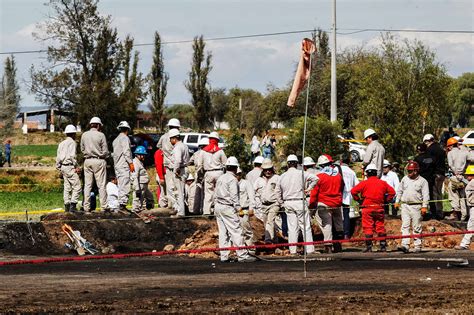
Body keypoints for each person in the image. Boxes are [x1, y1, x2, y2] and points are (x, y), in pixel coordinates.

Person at [214, 156, 256, 263]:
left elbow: (215, 194)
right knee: (236, 231)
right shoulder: (232, 180)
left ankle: (224, 256)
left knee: (223, 233)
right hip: (228, 207)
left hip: (218, 207)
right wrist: (239, 209)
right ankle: (242, 255)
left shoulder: (221, 178)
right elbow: (234, 198)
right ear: (236, 168)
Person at [276, 154, 317, 255]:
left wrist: (282, 203)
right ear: (297, 163)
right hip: (299, 201)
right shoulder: (302, 173)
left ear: (288, 164)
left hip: (288, 202)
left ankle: (293, 250)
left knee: (292, 228)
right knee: (305, 226)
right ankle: (310, 249)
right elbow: (316, 179)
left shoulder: (282, 176)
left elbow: (277, 192)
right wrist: (308, 189)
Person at [351, 164, 396, 252]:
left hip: (367, 208)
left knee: (368, 227)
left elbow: (353, 191)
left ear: (367, 173)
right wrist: (387, 200)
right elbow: (392, 192)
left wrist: (359, 200)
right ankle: (383, 246)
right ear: (376, 173)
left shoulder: (364, 183)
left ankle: (369, 247)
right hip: (379, 208)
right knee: (380, 226)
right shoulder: (383, 183)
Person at [309, 155, 344, 253]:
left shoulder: (319, 177)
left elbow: (314, 194)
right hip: (337, 203)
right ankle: (338, 244)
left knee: (326, 225)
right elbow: (342, 188)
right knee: (338, 224)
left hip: (323, 204)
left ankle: (328, 246)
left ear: (321, 166)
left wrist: (311, 206)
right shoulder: (338, 176)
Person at [394, 161, 430, 253]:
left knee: (416, 226)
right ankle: (405, 245)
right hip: (405, 205)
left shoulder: (423, 181)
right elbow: (399, 191)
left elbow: (426, 195)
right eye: (408, 171)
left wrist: (424, 206)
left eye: (410, 171)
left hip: (416, 206)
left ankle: (417, 245)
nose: (409, 173)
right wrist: (397, 201)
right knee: (405, 226)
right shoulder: (404, 179)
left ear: (416, 171)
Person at [80, 117, 109, 212]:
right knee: (101, 184)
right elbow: (105, 151)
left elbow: (82, 149)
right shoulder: (101, 135)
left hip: (87, 160)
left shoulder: (84, 135)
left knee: (87, 185)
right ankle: (104, 206)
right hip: (99, 160)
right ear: (98, 125)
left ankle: (86, 206)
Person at [197, 132, 227, 216]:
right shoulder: (220, 151)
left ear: (209, 139)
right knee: (218, 193)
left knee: (208, 193)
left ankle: (207, 212)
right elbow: (225, 164)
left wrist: (200, 176)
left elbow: (199, 165)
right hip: (219, 173)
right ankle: (217, 211)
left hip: (208, 173)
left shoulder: (203, 151)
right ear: (217, 140)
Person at [254, 159, 282, 244]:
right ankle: (275, 241)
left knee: (270, 221)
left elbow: (281, 190)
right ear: (263, 170)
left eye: (269, 169)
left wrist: (280, 202)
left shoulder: (277, 178)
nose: (268, 171)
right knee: (267, 223)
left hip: (274, 204)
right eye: (266, 170)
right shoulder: (259, 180)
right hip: (263, 205)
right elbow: (255, 192)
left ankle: (268, 240)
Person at [56, 124, 82, 212]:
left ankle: (66, 206)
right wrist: (77, 166)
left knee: (67, 187)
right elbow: (72, 156)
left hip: (63, 167)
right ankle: (73, 206)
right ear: (73, 134)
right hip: (70, 166)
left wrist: (59, 168)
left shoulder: (61, 144)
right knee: (77, 186)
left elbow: (58, 157)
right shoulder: (72, 143)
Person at [157, 118, 181, 209]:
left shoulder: (163, 137)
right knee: (176, 187)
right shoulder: (177, 137)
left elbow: (159, 147)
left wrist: (165, 152)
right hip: (176, 165)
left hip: (167, 165)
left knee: (169, 187)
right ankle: (176, 207)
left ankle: (172, 206)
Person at [423, 133, 447, 220]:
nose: (425, 144)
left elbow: (430, 163)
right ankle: (440, 211)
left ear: (428, 141)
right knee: (439, 192)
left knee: (434, 194)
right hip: (442, 174)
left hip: (435, 174)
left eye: (425, 142)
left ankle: (436, 212)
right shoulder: (440, 148)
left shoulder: (430, 150)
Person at [112, 121, 134, 211]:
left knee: (121, 185)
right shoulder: (125, 138)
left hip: (117, 165)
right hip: (123, 165)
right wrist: (131, 163)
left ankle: (121, 204)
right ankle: (123, 205)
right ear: (127, 130)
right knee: (125, 185)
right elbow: (126, 151)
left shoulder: (116, 140)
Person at [446, 137, 469, 220]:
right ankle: (464, 215)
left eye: (448, 146)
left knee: (453, 195)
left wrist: (455, 172)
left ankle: (456, 214)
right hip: (463, 177)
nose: (448, 148)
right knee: (463, 196)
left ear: (451, 146)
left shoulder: (450, 153)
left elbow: (450, 165)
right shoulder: (464, 152)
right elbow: (470, 159)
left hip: (454, 178)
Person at [170, 129, 189, 217]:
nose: (170, 141)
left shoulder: (178, 147)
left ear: (174, 138)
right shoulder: (184, 145)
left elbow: (178, 160)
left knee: (179, 192)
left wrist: (176, 170)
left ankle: (181, 213)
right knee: (181, 192)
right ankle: (181, 210)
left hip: (180, 170)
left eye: (171, 139)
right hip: (184, 169)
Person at [338, 154, 359, 239]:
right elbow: (357, 185)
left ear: (341, 161)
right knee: (346, 215)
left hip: (338, 195)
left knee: (337, 215)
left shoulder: (336, 169)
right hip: (347, 197)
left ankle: (337, 235)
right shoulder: (352, 172)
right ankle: (346, 235)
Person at [414, 143, 436, 218]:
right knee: (431, 196)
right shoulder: (432, 158)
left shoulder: (417, 159)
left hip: (421, 180)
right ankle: (434, 213)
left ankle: (421, 213)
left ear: (418, 150)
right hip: (430, 179)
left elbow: (416, 170)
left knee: (420, 196)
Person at [455, 165, 474, 250]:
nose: (467, 176)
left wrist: (460, 179)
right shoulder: (471, 182)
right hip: (472, 207)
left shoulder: (472, 182)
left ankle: (464, 244)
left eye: (469, 175)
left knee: (471, 226)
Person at [236, 167, 255, 251]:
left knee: (246, 229)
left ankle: (251, 248)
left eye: (238, 174)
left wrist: (251, 208)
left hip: (244, 210)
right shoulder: (231, 183)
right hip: (234, 210)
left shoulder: (246, 183)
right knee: (236, 231)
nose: (237, 176)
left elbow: (251, 196)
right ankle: (240, 249)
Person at [131, 146, 154, 212]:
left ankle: (148, 210)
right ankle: (136, 211)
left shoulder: (139, 162)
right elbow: (135, 176)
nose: (144, 156)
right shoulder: (135, 163)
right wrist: (137, 189)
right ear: (137, 155)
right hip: (140, 185)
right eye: (142, 155)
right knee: (138, 199)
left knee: (150, 197)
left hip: (144, 185)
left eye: (144, 155)